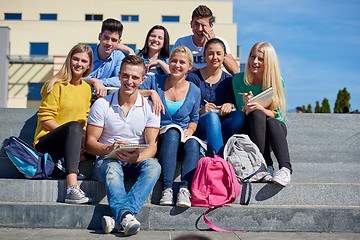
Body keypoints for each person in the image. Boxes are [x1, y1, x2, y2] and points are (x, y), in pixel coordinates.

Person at [85, 55, 161, 236]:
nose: (129, 81)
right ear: (119, 75)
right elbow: (90, 144)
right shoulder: (102, 105)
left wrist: (138, 157)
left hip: (136, 160)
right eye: (125, 76)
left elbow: (152, 146)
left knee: (154, 166)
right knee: (111, 166)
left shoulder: (150, 107)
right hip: (106, 160)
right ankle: (126, 216)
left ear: (143, 80)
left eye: (135, 78)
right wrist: (108, 149)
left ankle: (120, 217)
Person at [139, 46, 201, 208]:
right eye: (174, 61)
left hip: (181, 138)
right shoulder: (156, 81)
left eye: (182, 62)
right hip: (159, 136)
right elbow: (132, 92)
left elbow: (194, 119)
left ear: (189, 67)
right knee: (172, 132)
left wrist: (191, 130)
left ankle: (184, 189)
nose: (177, 65)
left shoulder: (194, 90)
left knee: (193, 143)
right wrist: (151, 93)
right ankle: (167, 188)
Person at [34, 44, 93, 204]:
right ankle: (71, 188)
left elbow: (86, 118)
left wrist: (84, 137)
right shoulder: (55, 84)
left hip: (72, 141)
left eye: (83, 61)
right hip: (47, 143)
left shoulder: (87, 89)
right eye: (75, 59)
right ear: (69, 60)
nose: (79, 64)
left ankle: (65, 163)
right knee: (74, 127)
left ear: (88, 65)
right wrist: (73, 134)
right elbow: (45, 119)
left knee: (98, 140)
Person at [233, 41, 292, 186]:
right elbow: (241, 112)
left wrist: (260, 107)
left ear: (269, 62)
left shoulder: (277, 80)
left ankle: (285, 169)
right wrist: (247, 105)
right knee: (256, 115)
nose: (254, 62)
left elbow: (277, 114)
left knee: (268, 119)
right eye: (252, 57)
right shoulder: (238, 79)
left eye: (260, 59)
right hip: (250, 127)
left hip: (274, 128)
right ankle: (265, 166)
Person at [187, 38, 245, 156]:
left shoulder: (229, 79)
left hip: (222, 124)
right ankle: (218, 159)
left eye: (219, 54)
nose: (215, 57)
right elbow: (187, 109)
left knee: (239, 116)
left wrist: (229, 105)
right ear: (204, 55)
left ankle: (211, 143)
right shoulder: (193, 78)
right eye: (210, 53)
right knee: (212, 117)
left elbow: (232, 103)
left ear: (224, 56)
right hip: (200, 124)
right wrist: (201, 110)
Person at [173, 5, 239, 75]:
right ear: (191, 24)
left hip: (212, 82)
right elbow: (172, 67)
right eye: (196, 24)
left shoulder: (220, 42)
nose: (199, 29)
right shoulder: (181, 42)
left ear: (211, 27)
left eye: (204, 26)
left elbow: (235, 70)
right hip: (188, 81)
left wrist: (214, 44)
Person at [83, 18, 125, 98]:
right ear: (99, 37)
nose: (109, 43)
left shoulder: (119, 56)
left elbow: (120, 80)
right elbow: (73, 75)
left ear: (119, 42)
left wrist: (99, 82)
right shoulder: (86, 53)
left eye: (114, 40)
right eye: (106, 38)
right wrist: (93, 80)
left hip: (104, 100)